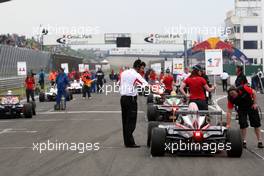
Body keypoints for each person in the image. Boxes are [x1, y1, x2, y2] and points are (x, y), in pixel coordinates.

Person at [119, 59, 148, 148]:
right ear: (138, 67)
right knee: (131, 122)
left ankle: (127, 142)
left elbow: (118, 84)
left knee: (125, 121)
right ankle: (130, 142)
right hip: (131, 99)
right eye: (142, 68)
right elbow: (145, 85)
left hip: (123, 98)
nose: (142, 70)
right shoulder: (136, 75)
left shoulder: (123, 73)